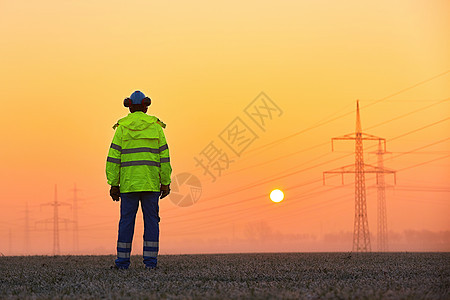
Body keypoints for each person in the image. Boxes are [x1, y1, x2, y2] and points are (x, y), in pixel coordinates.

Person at [106, 90, 172, 270]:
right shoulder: (156, 127)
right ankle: (150, 263)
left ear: (128, 107)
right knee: (151, 221)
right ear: (146, 106)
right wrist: (165, 182)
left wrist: (114, 184)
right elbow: (164, 158)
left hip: (128, 185)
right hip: (151, 184)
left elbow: (113, 158)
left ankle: (122, 263)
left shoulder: (122, 128)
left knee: (126, 222)